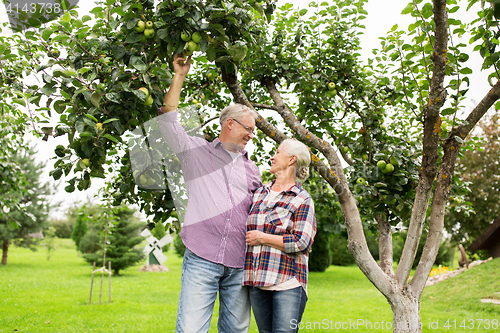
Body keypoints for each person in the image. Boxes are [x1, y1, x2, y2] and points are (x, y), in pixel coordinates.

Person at [158, 53, 262, 332]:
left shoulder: (253, 170)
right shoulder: (196, 152)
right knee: (191, 328)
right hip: (202, 257)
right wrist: (179, 75)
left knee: (237, 330)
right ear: (230, 124)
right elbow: (167, 122)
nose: (252, 135)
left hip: (240, 262)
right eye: (249, 129)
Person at [243, 138, 317, 333]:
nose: (272, 157)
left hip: (288, 282)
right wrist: (283, 238)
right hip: (258, 280)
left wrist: (263, 238)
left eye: (277, 152)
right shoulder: (259, 193)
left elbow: (302, 242)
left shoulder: (302, 199)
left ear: (292, 159)